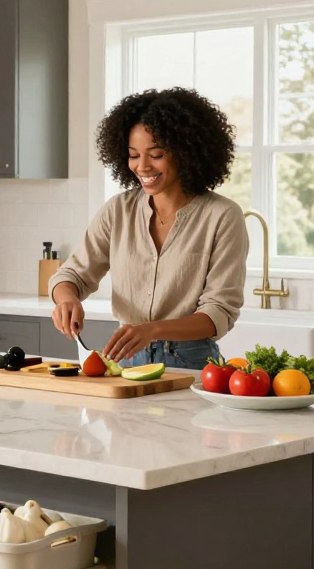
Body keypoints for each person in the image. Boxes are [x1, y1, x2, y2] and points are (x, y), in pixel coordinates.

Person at [49, 87, 248, 369]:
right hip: (125, 360)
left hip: (190, 362)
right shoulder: (118, 210)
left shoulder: (222, 216)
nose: (142, 166)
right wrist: (67, 300)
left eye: (156, 154)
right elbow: (72, 275)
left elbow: (218, 312)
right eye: (133, 155)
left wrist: (152, 330)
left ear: (186, 151)